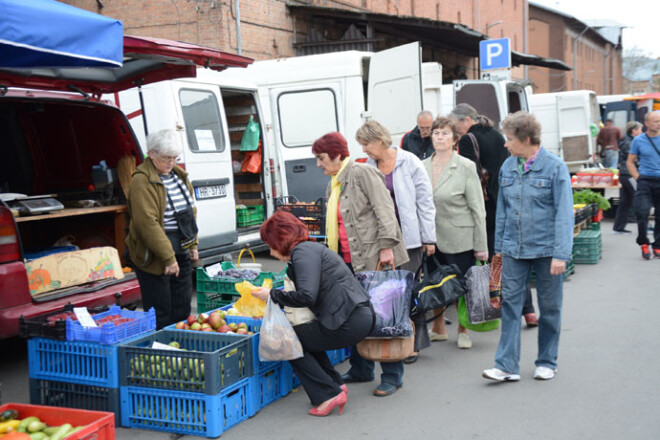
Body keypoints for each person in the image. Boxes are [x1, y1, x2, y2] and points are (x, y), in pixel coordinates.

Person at [312, 131, 409, 397]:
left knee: (385, 317)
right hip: (348, 262)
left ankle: (392, 375)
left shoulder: (362, 173)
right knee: (357, 317)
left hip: (376, 257)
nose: (318, 164)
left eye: (321, 158)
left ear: (335, 155)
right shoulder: (335, 182)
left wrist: (387, 246)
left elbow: (384, 209)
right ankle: (361, 369)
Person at [251, 211, 375, 417]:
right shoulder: (309, 250)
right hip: (355, 316)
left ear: (278, 240)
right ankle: (334, 385)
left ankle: (328, 393)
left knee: (287, 340)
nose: (271, 252)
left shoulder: (303, 252)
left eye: (270, 245)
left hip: (350, 320)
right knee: (304, 338)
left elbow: (307, 296)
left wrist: (272, 295)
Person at [482, 111, 574, 382]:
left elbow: (564, 214)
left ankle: (547, 361)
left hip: (547, 251)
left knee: (550, 307)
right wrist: (498, 249)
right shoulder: (508, 167)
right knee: (509, 306)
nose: (505, 144)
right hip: (513, 249)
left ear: (526, 139)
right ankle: (506, 366)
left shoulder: (555, 167)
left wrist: (561, 253)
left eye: (510, 139)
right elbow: (502, 211)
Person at [449, 103, 538, 327]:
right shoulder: (498, 136)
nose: (457, 130)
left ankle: (499, 306)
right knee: (509, 257)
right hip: (505, 199)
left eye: (456, 124)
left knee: (492, 259)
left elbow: (471, 175)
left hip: (486, 206)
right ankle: (528, 311)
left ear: (465, 120)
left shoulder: (468, 140)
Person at [359, 119, 436, 365]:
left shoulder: (409, 161)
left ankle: (413, 342)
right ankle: (393, 339)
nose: (364, 149)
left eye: (366, 143)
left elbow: (424, 201)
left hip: (410, 238)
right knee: (388, 292)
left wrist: (428, 237)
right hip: (382, 240)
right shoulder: (369, 166)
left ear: (380, 141)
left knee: (410, 290)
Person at [422, 116, 488, 349]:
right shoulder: (422, 166)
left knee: (463, 285)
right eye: (436, 133)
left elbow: (478, 209)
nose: (439, 137)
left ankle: (463, 330)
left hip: (461, 236)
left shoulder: (466, 166)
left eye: (445, 133)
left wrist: (481, 245)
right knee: (435, 283)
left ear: (455, 140)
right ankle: (438, 329)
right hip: (431, 238)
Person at [126, 129, 199, 329]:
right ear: (152, 153)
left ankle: (181, 349)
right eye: (167, 158)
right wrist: (168, 258)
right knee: (161, 311)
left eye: (175, 158)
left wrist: (193, 244)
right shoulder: (141, 181)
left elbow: (189, 212)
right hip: (155, 254)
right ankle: (162, 353)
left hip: (181, 249)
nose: (171, 163)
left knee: (182, 308)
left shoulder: (178, 175)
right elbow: (147, 223)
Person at [627, 111, 660, 260]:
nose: (658, 123)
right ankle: (643, 243)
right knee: (642, 213)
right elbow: (630, 161)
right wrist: (638, 178)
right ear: (646, 123)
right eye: (656, 121)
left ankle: (658, 245)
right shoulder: (638, 140)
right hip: (645, 181)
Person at [613, 121, 643, 234]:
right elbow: (633, 159)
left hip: (625, 175)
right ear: (633, 131)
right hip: (630, 175)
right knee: (640, 199)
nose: (641, 132)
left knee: (624, 202)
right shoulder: (629, 143)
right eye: (640, 130)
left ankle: (618, 227)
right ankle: (644, 225)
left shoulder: (628, 141)